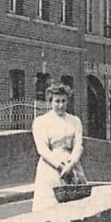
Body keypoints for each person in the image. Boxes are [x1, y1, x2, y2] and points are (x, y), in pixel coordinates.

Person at [31, 83, 87, 213]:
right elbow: (42, 149)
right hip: (50, 167)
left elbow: (78, 145)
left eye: (63, 101)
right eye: (57, 101)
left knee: (75, 208)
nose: (60, 105)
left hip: (72, 167)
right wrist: (60, 167)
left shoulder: (75, 121)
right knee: (49, 205)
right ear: (50, 102)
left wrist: (71, 164)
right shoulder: (41, 122)